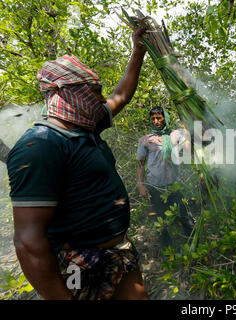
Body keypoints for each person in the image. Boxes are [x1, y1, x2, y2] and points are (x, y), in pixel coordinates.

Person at [6, 26, 149, 300]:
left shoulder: (86, 127)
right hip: (78, 263)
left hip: (119, 251)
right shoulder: (41, 144)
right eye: (94, 90)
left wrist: (138, 51)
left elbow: (121, 95)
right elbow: (28, 242)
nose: (100, 98)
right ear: (68, 92)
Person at [137, 106, 194, 247]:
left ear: (165, 118)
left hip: (174, 185)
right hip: (155, 187)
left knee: (185, 217)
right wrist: (141, 185)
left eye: (159, 118)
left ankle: (194, 245)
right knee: (160, 221)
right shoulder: (146, 139)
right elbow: (140, 164)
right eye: (153, 119)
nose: (156, 121)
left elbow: (188, 152)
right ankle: (167, 250)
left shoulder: (176, 134)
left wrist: (187, 136)